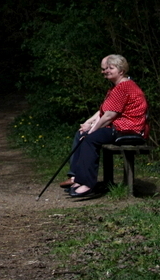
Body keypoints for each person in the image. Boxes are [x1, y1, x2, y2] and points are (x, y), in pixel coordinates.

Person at [63, 54, 147, 197]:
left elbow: (109, 116)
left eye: (110, 68)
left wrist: (92, 130)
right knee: (83, 134)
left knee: (90, 139)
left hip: (127, 129)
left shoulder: (124, 87)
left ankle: (88, 184)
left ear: (121, 70)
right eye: (105, 68)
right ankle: (78, 178)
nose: (106, 71)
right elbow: (104, 110)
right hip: (118, 127)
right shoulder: (117, 87)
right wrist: (89, 124)